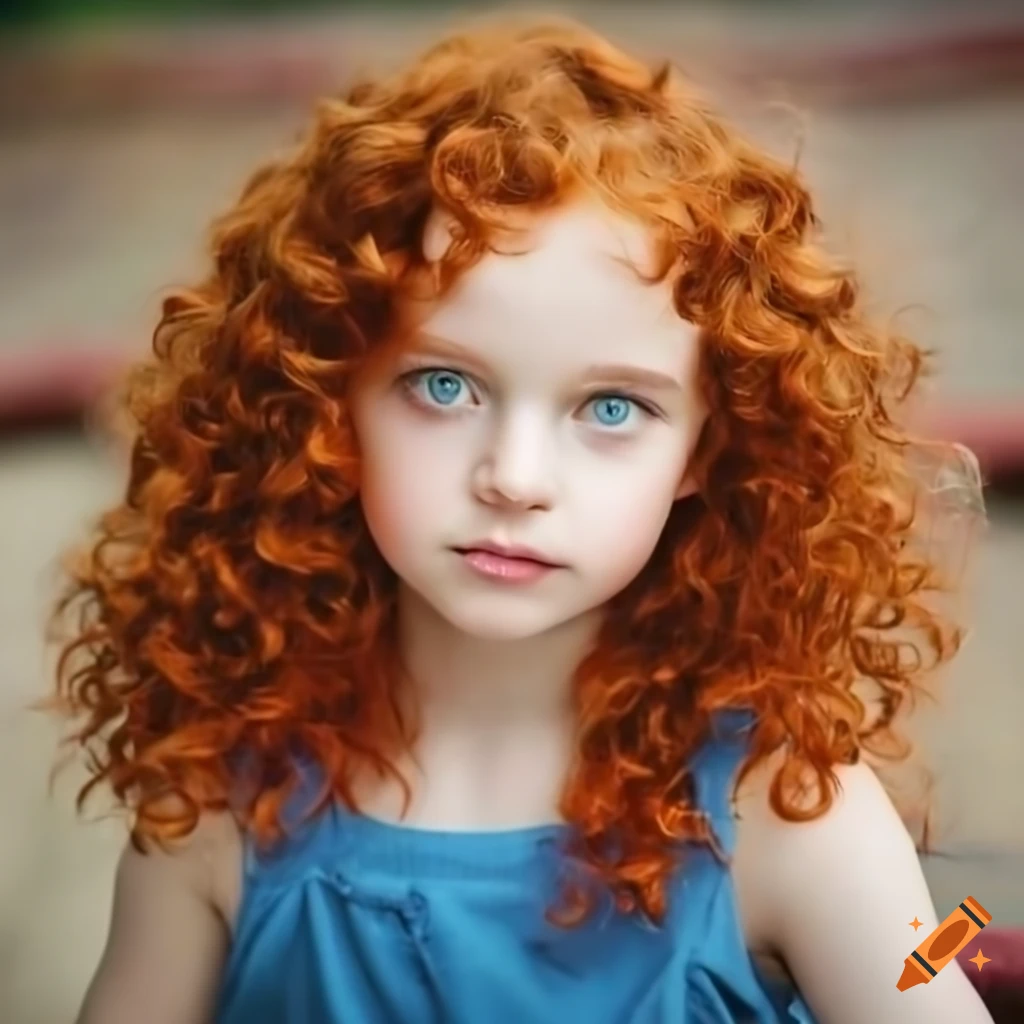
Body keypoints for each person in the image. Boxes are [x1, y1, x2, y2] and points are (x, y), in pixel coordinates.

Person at [48, 16, 992, 1024]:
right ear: (324, 401)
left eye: (612, 408)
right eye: (444, 385)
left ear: (709, 451)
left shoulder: (795, 816)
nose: (515, 477)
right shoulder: (216, 809)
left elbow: (927, 968)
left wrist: (941, 935)